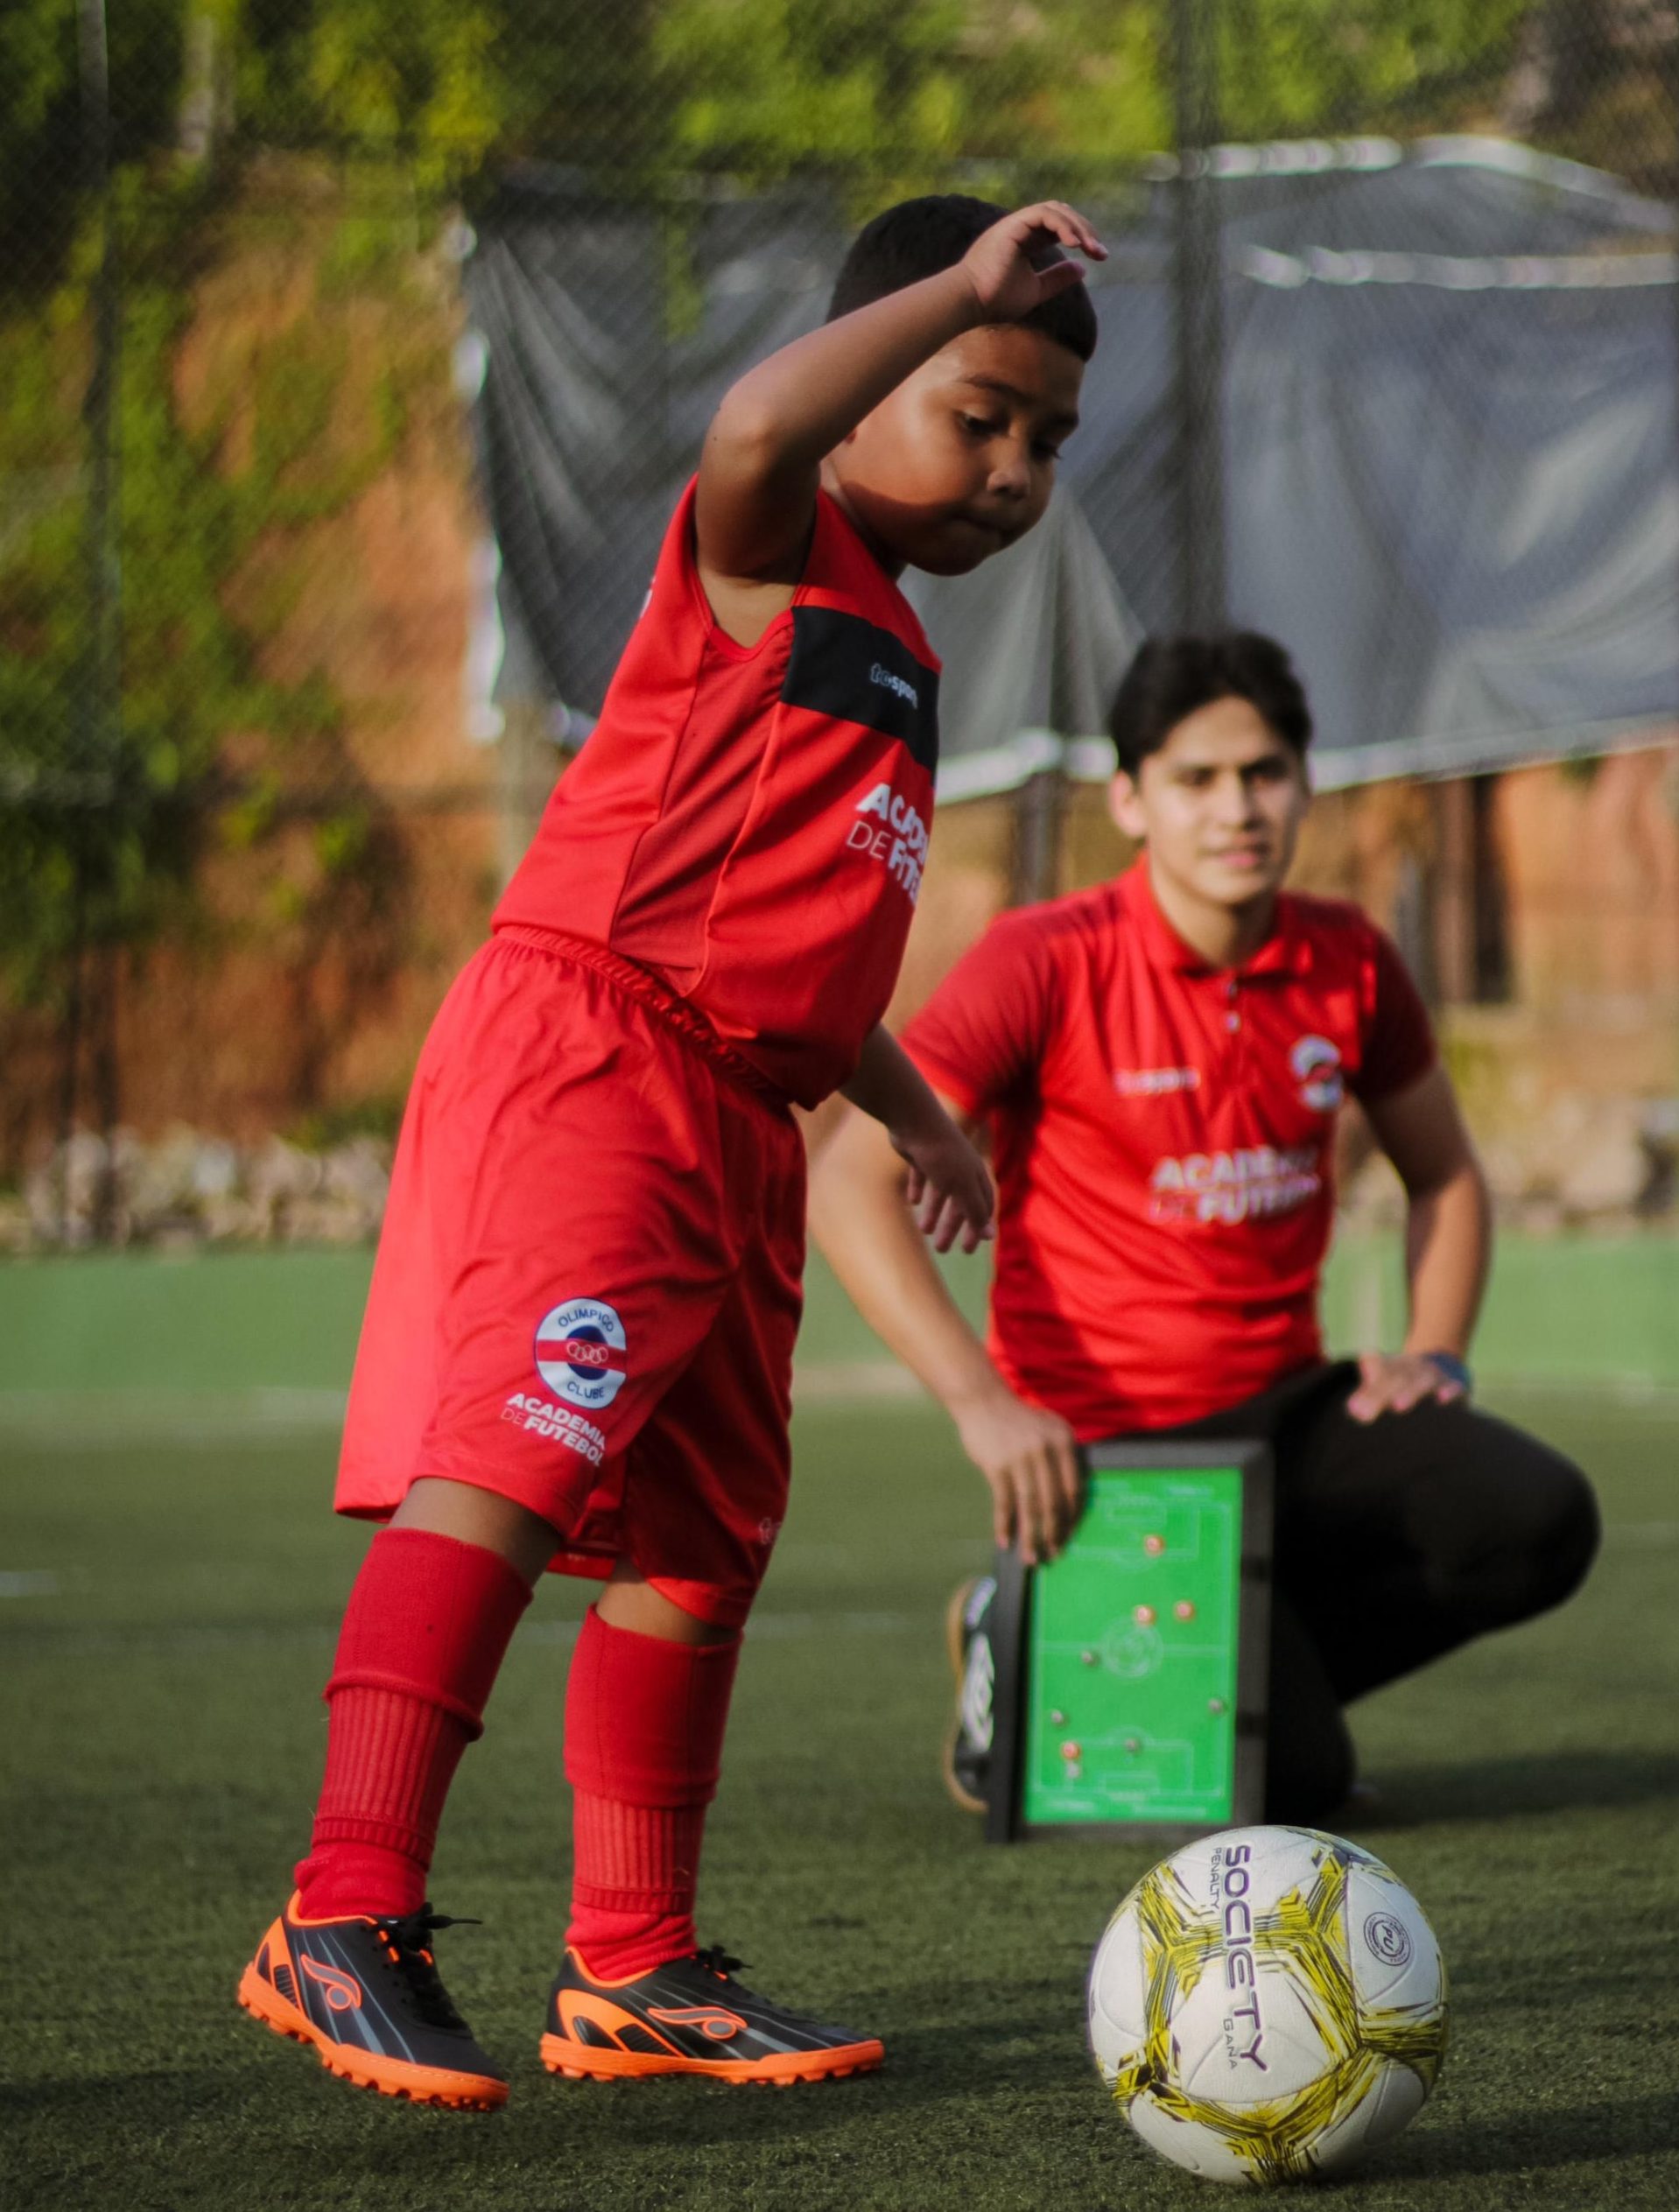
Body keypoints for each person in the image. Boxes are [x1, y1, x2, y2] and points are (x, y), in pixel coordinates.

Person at [236, 194, 1105, 2110]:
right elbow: (744, 433)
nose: (1014, 470)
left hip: (738, 1118)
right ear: (873, 376)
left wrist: (906, 1102)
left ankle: (636, 1963)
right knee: (520, 1455)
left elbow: (790, 949)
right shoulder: (770, 546)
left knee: (708, 1542)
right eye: (977, 412)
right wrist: (962, 286)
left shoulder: (891, 651)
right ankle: (340, 1903)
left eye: (1045, 441)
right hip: (599, 1054)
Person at [810, 631, 1599, 1824]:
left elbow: (1446, 1176)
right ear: (1130, 798)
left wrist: (1434, 1355)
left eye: (1264, 772)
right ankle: (1018, 1632)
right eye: (1195, 780)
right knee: (1296, 1784)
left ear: (1303, 783)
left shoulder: (1352, 965)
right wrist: (984, 1406)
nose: (1238, 808)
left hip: (1289, 1422)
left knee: (1538, 1521)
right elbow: (845, 1183)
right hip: (1110, 1460)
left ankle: (1158, 1666)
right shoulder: (1047, 960)